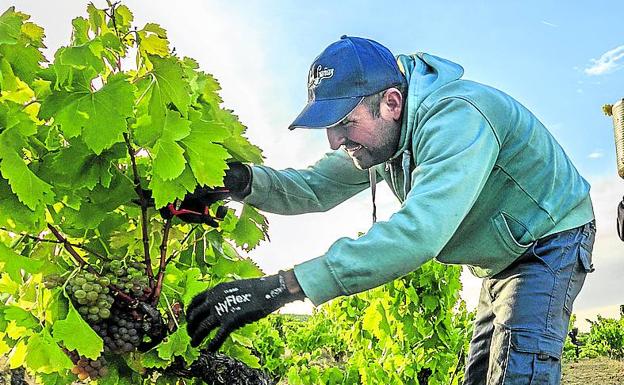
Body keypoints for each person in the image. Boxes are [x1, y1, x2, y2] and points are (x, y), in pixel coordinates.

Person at [179, 36, 596, 384]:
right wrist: (238, 182)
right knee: (479, 376)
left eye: (344, 122)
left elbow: (418, 233)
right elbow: (314, 186)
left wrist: (284, 287)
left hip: (548, 243)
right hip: (499, 259)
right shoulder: (384, 137)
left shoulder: (457, 118)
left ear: (392, 103)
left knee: (518, 373)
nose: (334, 141)